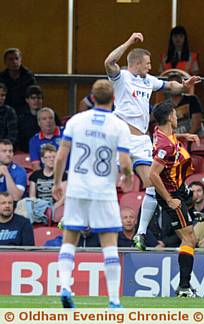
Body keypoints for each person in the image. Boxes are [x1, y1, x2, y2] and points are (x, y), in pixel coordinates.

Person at [104, 32, 201, 251]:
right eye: (147, 63)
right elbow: (109, 62)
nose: (150, 67)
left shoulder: (148, 81)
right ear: (136, 63)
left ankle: (140, 234)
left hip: (141, 141)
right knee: (103, 179)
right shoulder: (121, 77)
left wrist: (184, 86)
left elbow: (170, 87)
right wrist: (129, 42)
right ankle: (76, 217)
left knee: (152, 186)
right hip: (120, 137)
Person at [52, 79, 132, 309]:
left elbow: (60, 156)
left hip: (77, 189)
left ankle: (66, 287)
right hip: (103, 192)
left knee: (69, 240)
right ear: (114, 99)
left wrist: (58, 182)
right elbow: (125, 160)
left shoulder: (77, 121)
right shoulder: (119, 125)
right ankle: (114, 300)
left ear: (92, 98)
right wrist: (127, 175)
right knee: (109, 245)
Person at [148, 101, 200, 297]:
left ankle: (193, 212)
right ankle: (184, 287)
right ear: (169, 117)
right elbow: (153, 175)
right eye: (175, 114)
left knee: (192, 196)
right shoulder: (166, 145)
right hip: (172, 194)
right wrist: (169, 199)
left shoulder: (160, 132)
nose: (178, 117)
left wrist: (183, 136)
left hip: (180, 188)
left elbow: (168, 140)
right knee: (189, 238)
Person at [161, 70, 204, 135]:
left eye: (178, 83)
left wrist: (186, 138)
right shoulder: (164, 105)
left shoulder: (192, 99)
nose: (175, 87)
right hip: (174, 141)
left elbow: (196, 123)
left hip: (193, 139)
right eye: (172, 84)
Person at [28, 144, 65, 209]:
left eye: (54, 157)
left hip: (56, 207)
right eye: (48, 157)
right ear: (42, 159)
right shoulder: (35, 176)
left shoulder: (63, 175)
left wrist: (53, 208)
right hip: (39, 206)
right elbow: (32, 197)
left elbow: (64, 197)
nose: (52, 159)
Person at [0, 48, 36, 113]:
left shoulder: (28, 76)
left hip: (25, 110)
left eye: (17, 58)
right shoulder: (1, 77)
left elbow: (34, 94)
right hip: (6, 110)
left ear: (20, 60)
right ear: (5, 62)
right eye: (10, 59)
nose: (14, 62)